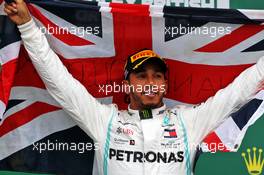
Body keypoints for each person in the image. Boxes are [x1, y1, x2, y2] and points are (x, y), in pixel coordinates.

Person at [4, 0, 264, 174]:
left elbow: (240, 90)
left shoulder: (190, 121)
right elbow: (57, 80)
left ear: (165, 84)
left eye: (157, 76)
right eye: (141, 76)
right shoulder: (104, 121)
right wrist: (27, 26)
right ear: (127, 85)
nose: (150, 83)